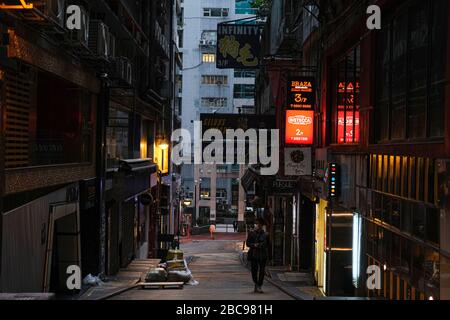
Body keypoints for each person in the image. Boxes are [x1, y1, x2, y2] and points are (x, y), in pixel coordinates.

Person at [246, 218, 268, 293]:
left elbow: (268, 245)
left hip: (262, 255)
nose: (256, 225)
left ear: (261, 225)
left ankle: (259, 285)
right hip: (254, 255)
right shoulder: (251, 233)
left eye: (258, 224)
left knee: (262, 271)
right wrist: (254, 245)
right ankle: (256, 283)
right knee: (254, 271)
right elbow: (247, 244)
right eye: (255, 223)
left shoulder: (265, 234)